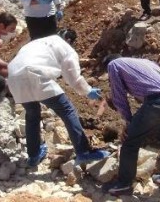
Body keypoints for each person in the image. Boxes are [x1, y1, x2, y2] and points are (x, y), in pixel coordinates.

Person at [7, 29, 109, 167]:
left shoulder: (35, 43)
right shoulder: (65, 47)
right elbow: (73, 77)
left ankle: (33, 156)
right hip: (35, 74)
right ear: (69, 40)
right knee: (67, 110)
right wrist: (88, 90)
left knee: (32, 115)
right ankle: (84, 152)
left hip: (13, 77)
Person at [101, 55, 160, 196]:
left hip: (159, 102)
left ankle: (124, 184)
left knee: (130, 142)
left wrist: (128, 122)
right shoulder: (144, 62)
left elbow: (119, 96)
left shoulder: (113, 64)